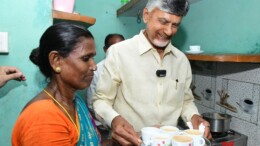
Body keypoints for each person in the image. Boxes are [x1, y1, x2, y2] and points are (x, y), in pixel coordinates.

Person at [93, 0, 212, 145]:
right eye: (163, 21)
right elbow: (101, 100)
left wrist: (193, 116)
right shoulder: (119, 53)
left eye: (175, 25)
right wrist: (114, 120)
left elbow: (186, 101)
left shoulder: (181, 61)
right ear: (146, 15)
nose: (169, 31)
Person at [12, 22, 101, 146]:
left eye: (93, 58)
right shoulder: (43, 118)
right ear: (56, 60)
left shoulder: (76, 101)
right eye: (86, 58)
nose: (94, 66)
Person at [86, 33, 125, 139]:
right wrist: (110, 122)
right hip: (104, 127)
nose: (118, 51)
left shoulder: (130, 67)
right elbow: (91, 103)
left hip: (126, 126)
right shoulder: (96, 70)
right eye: (113, 48)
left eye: (122, 47)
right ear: (105, 49)